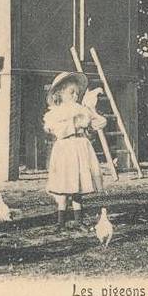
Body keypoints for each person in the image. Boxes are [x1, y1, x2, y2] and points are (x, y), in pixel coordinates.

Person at [43, 71, 106, 232]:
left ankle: (79, 220)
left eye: (77, 93)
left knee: (78, 183)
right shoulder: (57, 112)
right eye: (71, 92)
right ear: (60, 93)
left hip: (79, 147)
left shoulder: (82, 110)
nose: (75, 95)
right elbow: (57, 130)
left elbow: (95, 123)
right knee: (64, 184)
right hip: (65, 148)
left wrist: (91, 118)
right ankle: (60, 221)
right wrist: (73, 124)